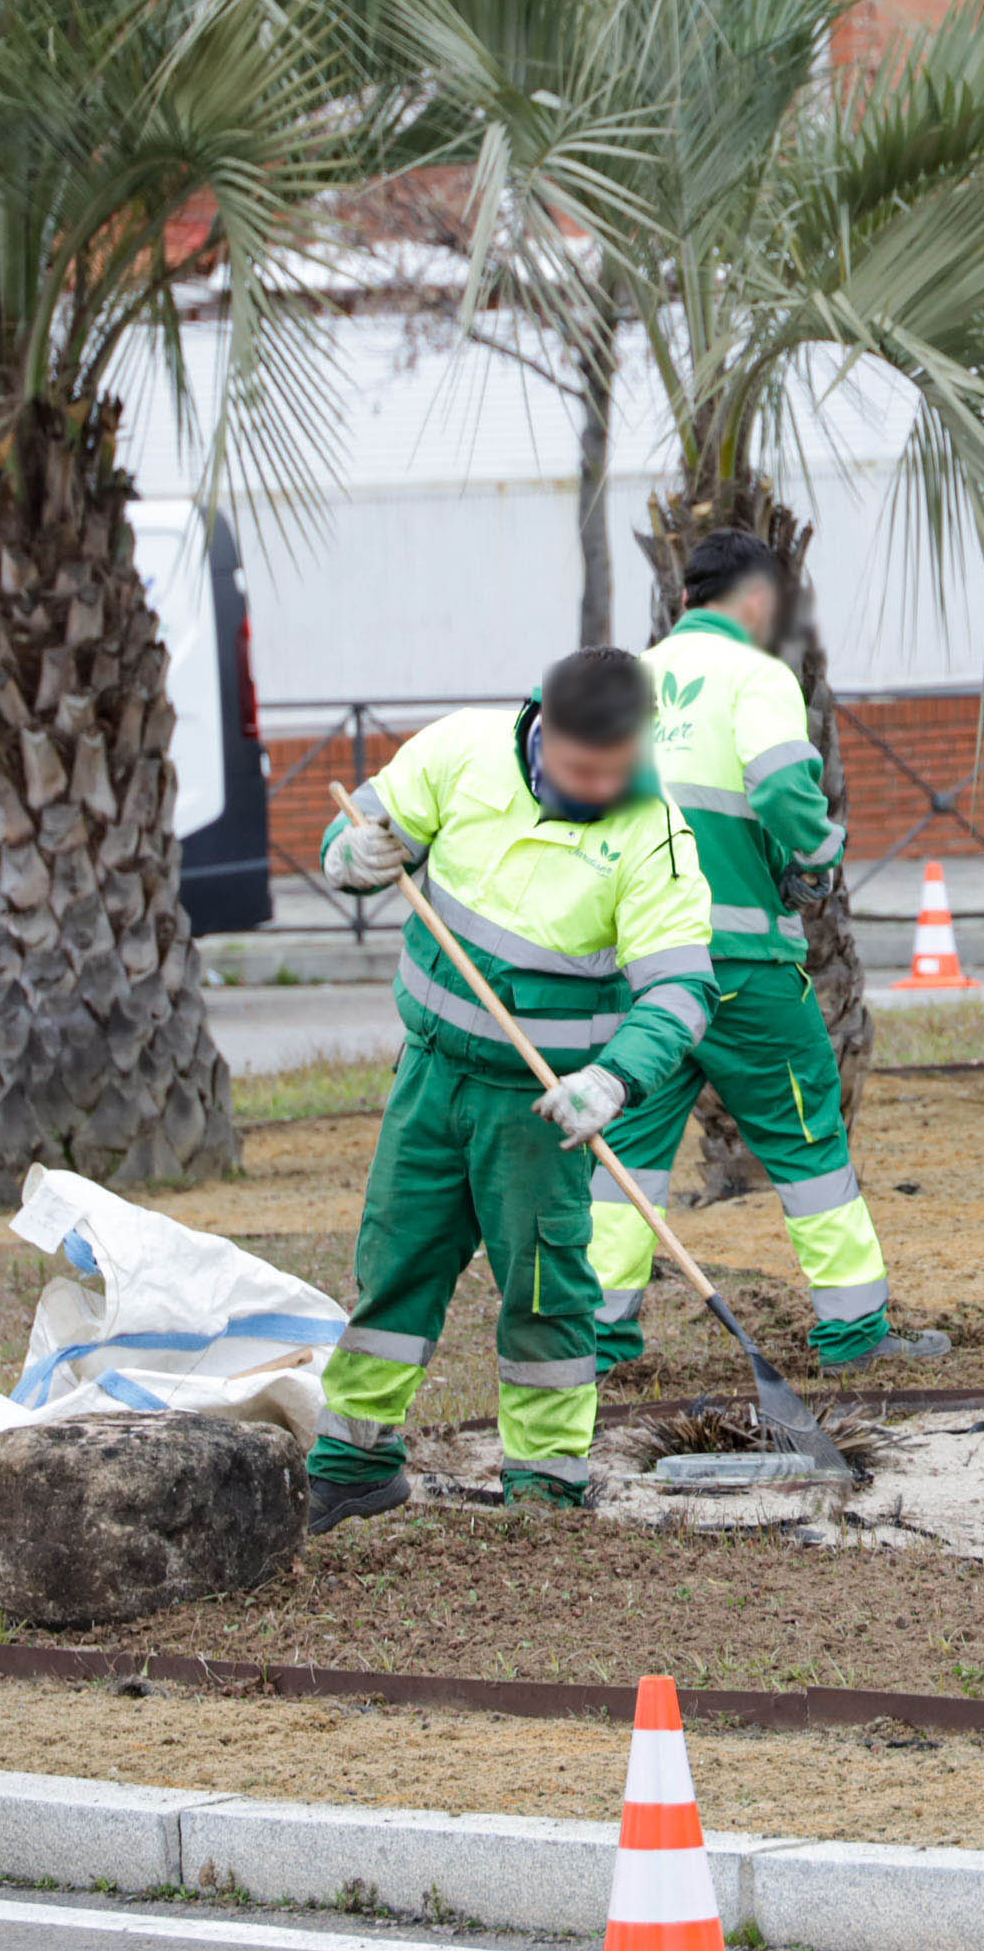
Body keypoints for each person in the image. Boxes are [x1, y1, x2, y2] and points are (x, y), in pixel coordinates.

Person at [305, 648, 713, 1533]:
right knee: (394, 1266)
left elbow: (681, 991)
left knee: (544, 1291)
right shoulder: (460, 749)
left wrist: (612, 1078)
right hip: (430, 1075)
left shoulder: (657, 835)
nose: (601, 786)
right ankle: (353, 1465)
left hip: (541, 1109)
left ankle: (546, 1486)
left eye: (618, 768)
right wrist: (352, 854)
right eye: (581, 768)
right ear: (542, 727)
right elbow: (360, 827)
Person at [588, 530, 949, 1376]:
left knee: (624, 1157)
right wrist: (816, 855)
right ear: (758, 600)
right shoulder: (755, 677)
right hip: (741, 970)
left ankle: (597, 1340)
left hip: (637, 971)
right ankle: (854, 1333)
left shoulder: (622, 682)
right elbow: (785, 785)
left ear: (685, 599)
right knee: (806, 1140)